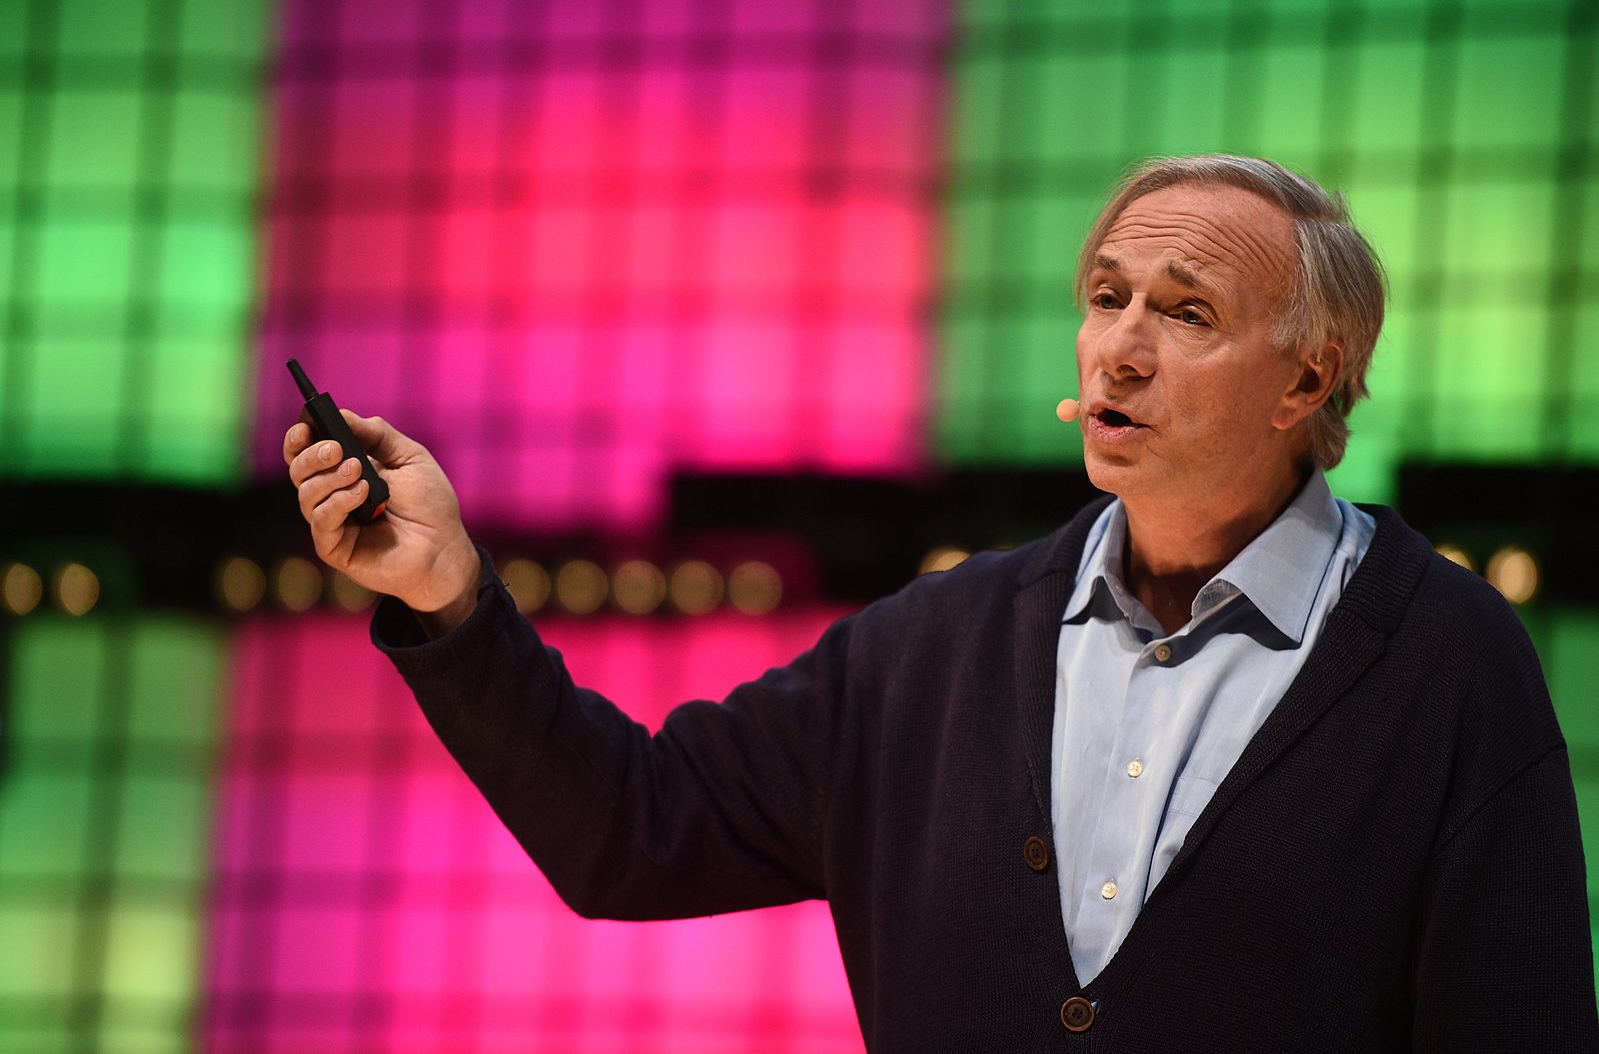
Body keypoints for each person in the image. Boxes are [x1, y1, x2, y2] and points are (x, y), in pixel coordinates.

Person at [285, 155, 1598, 1051]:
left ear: (1308, 380)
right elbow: (628, 832)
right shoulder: (929, 650)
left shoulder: (1444, 660)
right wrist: (445, 593)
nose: (1121, 345)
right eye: (1106, 298)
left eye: (1186, 312)